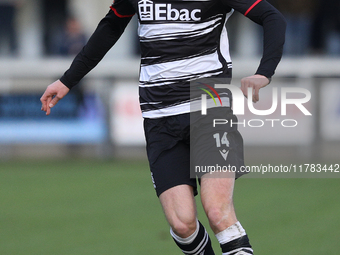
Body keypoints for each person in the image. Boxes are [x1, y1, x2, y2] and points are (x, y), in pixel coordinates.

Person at [40, 0, 286, 254]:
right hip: (159, 118)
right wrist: (68, 80)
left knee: (217, 212)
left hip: (209, 110)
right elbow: (111, 27)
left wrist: (264, 72)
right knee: (182, 224)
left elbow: (272, 16)